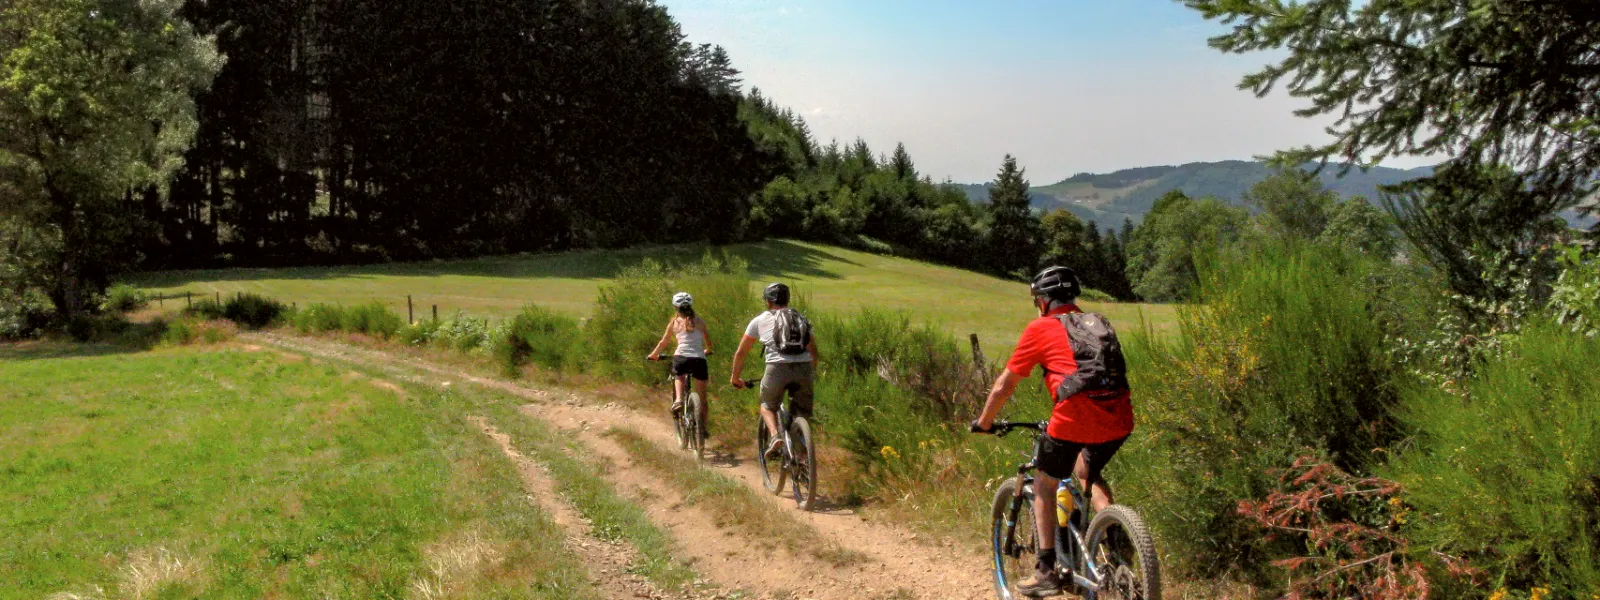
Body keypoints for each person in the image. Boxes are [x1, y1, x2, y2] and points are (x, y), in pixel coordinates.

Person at [970, 266, 1135, 598]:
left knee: (1045, 485)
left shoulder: (1040, 328)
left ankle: (1046, 571)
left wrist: (985, 421)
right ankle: (1118, 540)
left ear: (1043, 300)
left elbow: (1004, 385)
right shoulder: (1098, 322)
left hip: (1072, 418)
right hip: (1119, 417)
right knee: (1086, 473)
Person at [729, 282, 819, 458]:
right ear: (788, 300)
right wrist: (811, 372)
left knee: (767, 405)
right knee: (801, 414)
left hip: (777, 368)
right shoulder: (800, 318)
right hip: (804, 367)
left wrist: (735, 377)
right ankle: (802, 460)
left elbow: (741, 353)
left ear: (767, 301)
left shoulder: (759, 320)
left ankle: (775, 436)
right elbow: (814, 350)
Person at [647, 292, 713, 425]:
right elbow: (708, 342)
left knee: (679, 376)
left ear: (675, 307)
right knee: (702, 398)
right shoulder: (700, 322)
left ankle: (678, 400)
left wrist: (653, 355)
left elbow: (663, 342)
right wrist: (707, 351)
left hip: (681, 357)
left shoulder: (674, 322)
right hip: (699, 359)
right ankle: (703, 428)